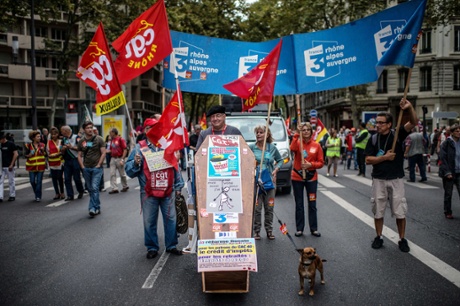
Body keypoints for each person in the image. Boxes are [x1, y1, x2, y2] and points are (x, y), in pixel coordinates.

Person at [125, 118, 185, 259]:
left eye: (154, 128)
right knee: (149, 221)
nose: (151, 131)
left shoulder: (167, 146)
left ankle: (171, 245)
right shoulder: (139, 148)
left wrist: (178, 187)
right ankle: (152, 247)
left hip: (168, 191)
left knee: (171, 219)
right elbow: (129, 171)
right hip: (148, 193)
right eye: (148, 128)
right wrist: (135, 162)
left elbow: (175, 168)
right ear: (145, 131)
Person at [364, 98, 417, 253]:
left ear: (389, 124)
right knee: (378, 210)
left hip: (396, 179)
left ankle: (402, 239)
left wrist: (409, 107)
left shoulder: (398, 134)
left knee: (400, 211)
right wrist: (384, 158)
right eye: (377, 122)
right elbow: (368, 160)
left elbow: (413, 122)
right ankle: (379, 237)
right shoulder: (373, 138)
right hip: (379, 179)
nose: (377, 125)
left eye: (381, 123)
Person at [290, 122, 324, 238]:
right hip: (297, 177)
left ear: (311, 132)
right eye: (303, 130)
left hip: (311, 178)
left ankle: (314, 229)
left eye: (307, 130)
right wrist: (296, 135)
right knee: (299, 204)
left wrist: (311, 165)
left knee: (312, 204)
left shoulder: (317, 146)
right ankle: (299, 229)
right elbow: (292, 148)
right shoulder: (298, 143)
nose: (305, 132)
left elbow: (321, 163)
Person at [249, 125, 283, 240]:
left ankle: (269, 230)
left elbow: (280, 160)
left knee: (269, 207)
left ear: (267, 135)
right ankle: (256, 231)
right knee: (257, 208)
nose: (258, 134)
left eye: (261, 132)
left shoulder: (272, 148)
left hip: (269, 182)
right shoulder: (251, 148)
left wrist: (276, 170)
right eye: (257, 132)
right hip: (257, 182)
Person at [77, 121, 106, 217]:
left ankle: (92, 208)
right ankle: (97, 206)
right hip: (86, 168)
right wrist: (82, 166)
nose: (90, 129)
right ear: (84, 130)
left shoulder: (99, 139)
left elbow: (103, 153)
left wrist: (99, 164)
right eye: (88, 128)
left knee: (94, 187)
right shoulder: (82, 141)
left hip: (96, 168)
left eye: (91, 127)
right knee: (90, 189)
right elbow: (79, 155)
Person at [439, 123, 460, 219]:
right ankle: (447, 211)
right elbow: (443, 159)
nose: (459, 132)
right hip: (450, 172)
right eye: (457, 131)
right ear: (452, 132)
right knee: (448, 193)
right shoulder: (446, 143)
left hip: (459, 172)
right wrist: (447, 172)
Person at [60, 126, 84, 201]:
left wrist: (71, 147)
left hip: (75, 159)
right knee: (67, 178)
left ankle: (80, 191)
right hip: (67, 160)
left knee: (76, 178)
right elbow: (61, 151)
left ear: (66, 131)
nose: (61, 133)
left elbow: (81, 148)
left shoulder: (76, 137)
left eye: (62, 131)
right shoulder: (63, 139)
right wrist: (63, 149)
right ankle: (70, 195)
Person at [25, 130, 46, 202]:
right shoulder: (28, 145)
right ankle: (37, 193)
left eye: (39, 136)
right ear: (33, 138)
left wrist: (43, 151)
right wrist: (29, 155)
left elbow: (45, 155)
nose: (39, 138)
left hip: (40, 166)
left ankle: (38, 196)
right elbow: (25, 155)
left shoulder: (42, 145)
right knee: (32, 181)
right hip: (31, 166)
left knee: (39, 181)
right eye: (37, 137)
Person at [108, 128, 129, 194]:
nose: (109, 134)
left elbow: (125, 150)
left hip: (119, 158)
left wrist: (122, 159)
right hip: (113, 158)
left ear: (114, 132)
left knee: (122, 174)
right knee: (112, 173)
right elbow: (111, 149)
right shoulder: (112, 140)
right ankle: (114, 188)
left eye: (110, 132)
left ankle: (125, 186)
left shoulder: (121, 139)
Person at [46, 127, 65, 200]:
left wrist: (58, 154)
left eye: (55, 134)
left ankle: (62, 192)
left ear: (58, 134)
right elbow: (47, 151)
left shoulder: (61, 141)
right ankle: (57, 193)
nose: (54, 135)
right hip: (52, 162)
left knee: (60, 177)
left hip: (60, 162)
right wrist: (50, 155)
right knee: (54, 178)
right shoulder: (49, 142)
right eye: (52, 134)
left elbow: (63, 151)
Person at [0, 132, 19, 202]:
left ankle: (12, 195)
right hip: (1, 166)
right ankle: (0, 196)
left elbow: (15, 154)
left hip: (9, 166)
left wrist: (11, 164)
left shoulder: (10, 144)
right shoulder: (0, 144)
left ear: (3, 139)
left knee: (11, 181)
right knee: (0, 181)